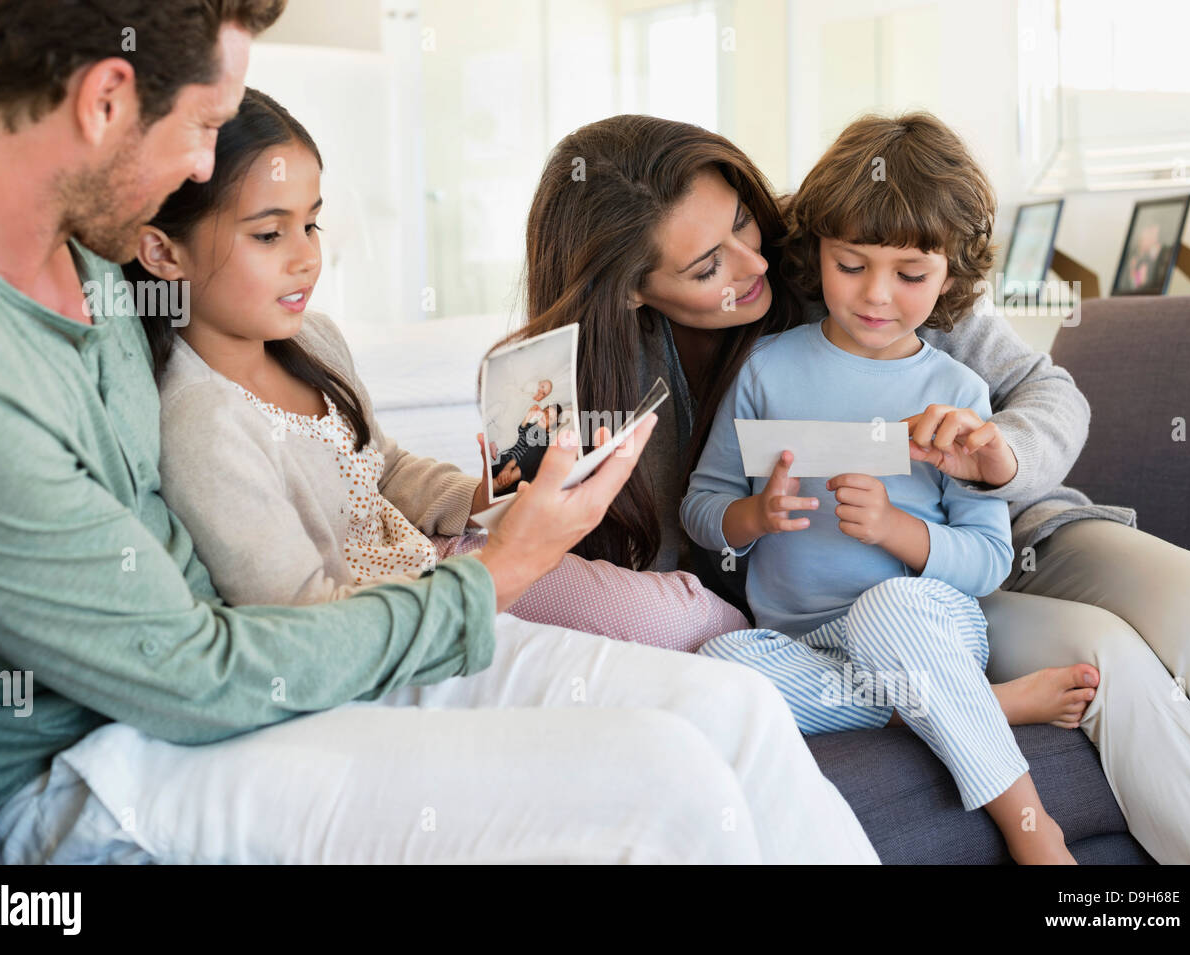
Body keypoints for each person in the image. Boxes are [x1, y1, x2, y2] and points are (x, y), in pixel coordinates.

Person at [0, 0, 878, 864]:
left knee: (736, 708)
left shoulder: (90, 263)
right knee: (664, 780)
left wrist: (484, 522)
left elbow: (336, 464)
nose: (201, 166)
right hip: (120, 762)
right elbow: (191, 673)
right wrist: (495, 572)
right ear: (105, 100)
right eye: (207, 127)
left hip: (260, 674)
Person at [508, 111, 1190, 863]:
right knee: (1108, 659)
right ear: (631, 291)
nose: (752, 263)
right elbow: (673, 553)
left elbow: (1046, 392)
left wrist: (998, 456)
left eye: (743, 223)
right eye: (705, 268)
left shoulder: (856, 243)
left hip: (1019, 526)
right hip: (876, 609)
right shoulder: (612, 390)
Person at [126, 87, 744, 651]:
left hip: (445, 552)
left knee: (702, 617)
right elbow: (302, 621)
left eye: (311, 223)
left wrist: (481, 496)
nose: (307, 258)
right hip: (402, 606)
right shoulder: (202, 423)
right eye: (268, 235)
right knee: (692, 625)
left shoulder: (313, 341)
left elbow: (384, 467)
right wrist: (496, 561)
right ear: (161, 251)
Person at [683, 113, 1084, 863]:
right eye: (851, 264)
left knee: (886, 607)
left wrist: (898, 532)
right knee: (722, 667)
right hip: (803, 643)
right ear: (816, 256)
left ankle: (1032, 824)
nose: (876, 295)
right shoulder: (767, 370)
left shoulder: (957, 391)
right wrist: (752, 515)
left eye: (910, 274)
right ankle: (975, 708)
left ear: (951, 277)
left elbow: (989, 560)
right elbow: (702, 505)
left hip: (922, 628)